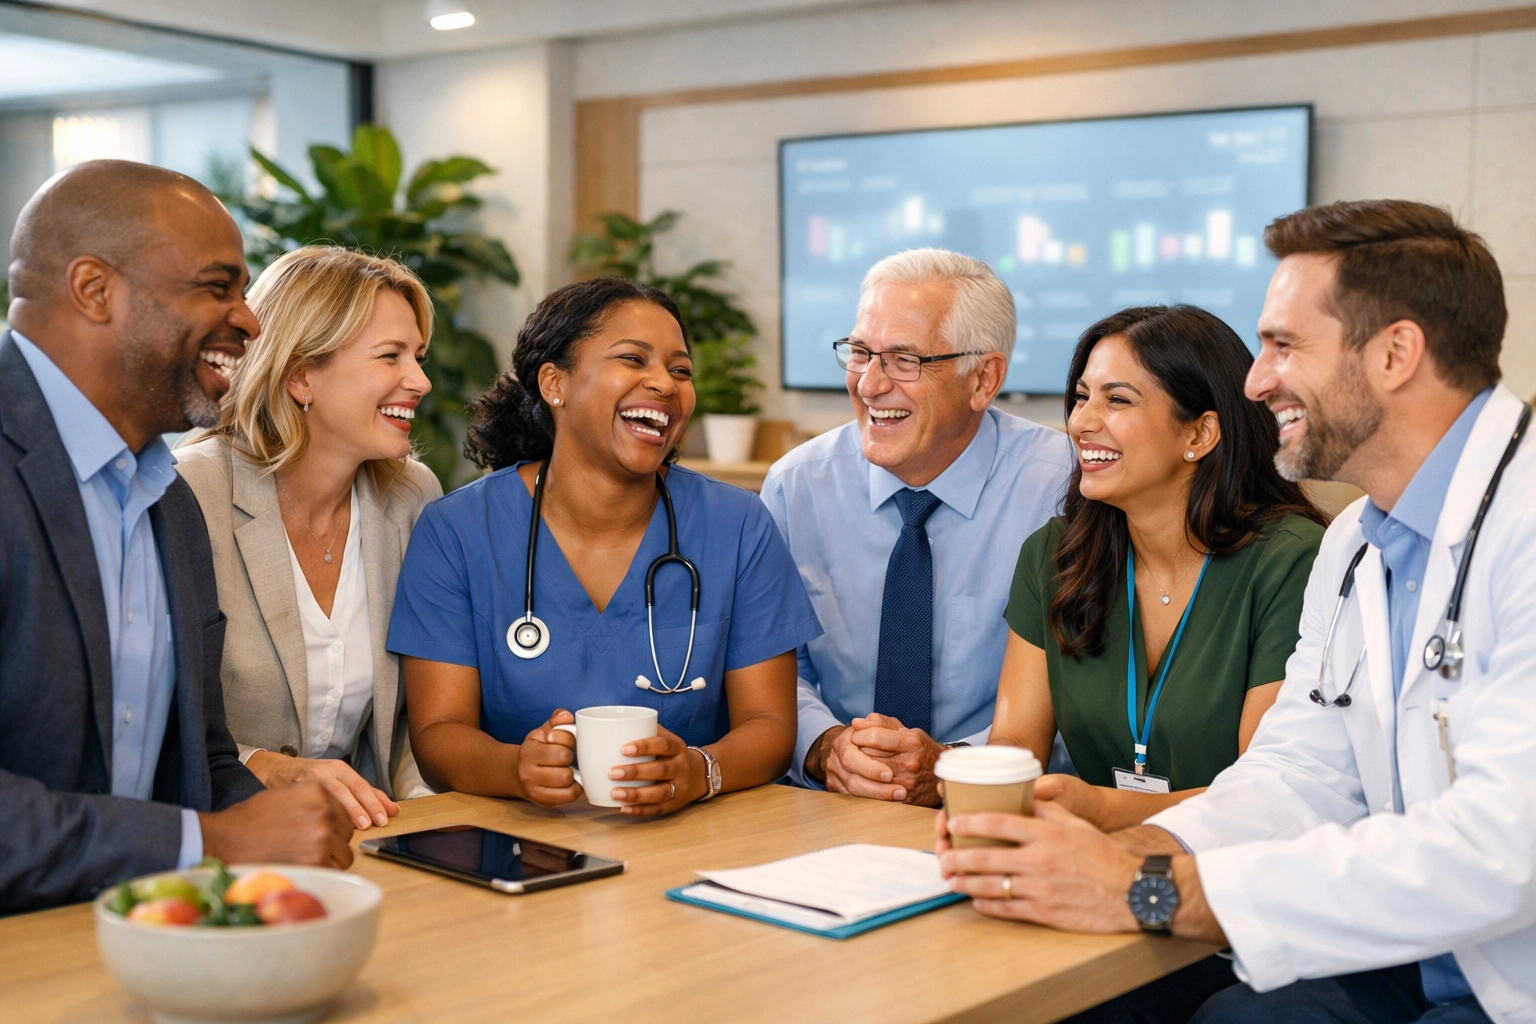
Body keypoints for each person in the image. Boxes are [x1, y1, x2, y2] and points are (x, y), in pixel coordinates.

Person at [936, 199, 1536, 1024]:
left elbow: (1504, 852)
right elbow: (1297, 777)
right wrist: (1120, 851)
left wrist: (1154, 892)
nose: (1257, 380)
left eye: (1284, 346)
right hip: (1411, 955)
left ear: (1397, 353)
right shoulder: (1358, 543)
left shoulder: (1523, 528)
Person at [0, 160, 354, 914]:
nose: (250, 319)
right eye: (216, 285)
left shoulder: (169, 498)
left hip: (141, 944)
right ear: (95, 290)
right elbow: (191, 827)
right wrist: (211, 844)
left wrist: (279, 806)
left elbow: (194, 762)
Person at [388, 277, 820, 815]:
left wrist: (699, 771)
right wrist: (515, 769)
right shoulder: (456, 533)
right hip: (523, 844)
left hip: (694, 838)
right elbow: (438, 734)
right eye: (633, 360)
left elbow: (772, 726)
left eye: (680, 370)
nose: (664, 383)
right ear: (555, 383)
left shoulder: (737, 526)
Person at [993, 305, 1325, 833]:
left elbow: (1270, 792)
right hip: (1085, 861)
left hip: (1230, 873)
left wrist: (1105, 811)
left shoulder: (1293, 561)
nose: (1081, 422)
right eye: (1082, 397)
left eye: (1117, 400)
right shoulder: (1053, 555)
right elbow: (1013, 747)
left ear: (1200, 434)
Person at [762, 248, 1074, 805]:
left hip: (1008, 807)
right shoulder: (796, 486)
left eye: (905, 360)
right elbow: (778, 667)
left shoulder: (1065, 490)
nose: (869, 385)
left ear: (984, 378)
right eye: (861, 352)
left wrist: (956, 769)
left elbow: (1086, 693)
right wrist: (825, 745)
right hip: (826, 805)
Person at [175, 246, 442, 835]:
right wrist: (262, 768)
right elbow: (159, 722)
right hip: (221, 836)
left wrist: (434, 820)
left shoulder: (410, 496)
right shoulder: (191, 491)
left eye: (418, 357)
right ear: (300, 375)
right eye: (390, 356)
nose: (419, 381)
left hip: (359, 836)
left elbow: (407, 728)